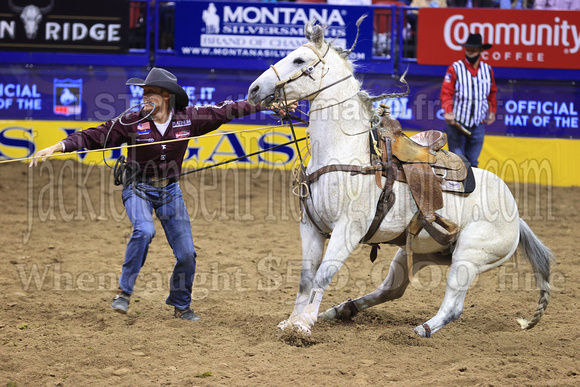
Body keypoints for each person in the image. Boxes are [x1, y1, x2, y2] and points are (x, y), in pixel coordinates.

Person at [29, 68, 282, 321]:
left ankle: (181, 305)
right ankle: (123, 293)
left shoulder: (189, 118)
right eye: (144, 92)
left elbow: (227, 110)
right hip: (137, 188)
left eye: (151, 93)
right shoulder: (131, 121)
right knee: (144, 231)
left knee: (187, 254)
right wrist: (60, 145)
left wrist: (266, 104)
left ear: (167, 96)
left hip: (170, 190)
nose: (145, 97)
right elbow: (96, 135)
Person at [440, 33, 497, 168]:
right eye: (468, 49)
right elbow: (446, 92)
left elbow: (492, 92)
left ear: (481, 51)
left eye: (473, 50)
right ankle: (455, 189)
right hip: (457, 124)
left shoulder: (487, 70)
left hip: (478, 124)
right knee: (458, 161)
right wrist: (448, 111)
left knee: (473, 163)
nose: (470, 53)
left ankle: (470, 189)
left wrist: (492, 110)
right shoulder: (455, 68)